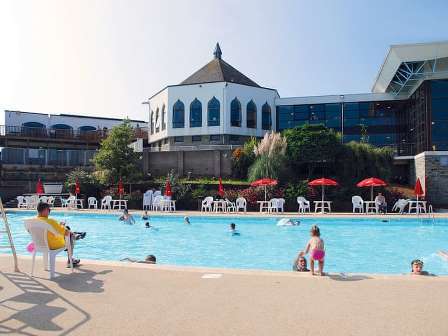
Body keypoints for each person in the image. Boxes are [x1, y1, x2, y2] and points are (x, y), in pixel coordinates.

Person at [35, 202, 81, 267]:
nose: (49, 212)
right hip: (53, 245)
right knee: (69, 235)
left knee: (67, 230)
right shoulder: (50, 221)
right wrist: (62, 226)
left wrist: (58, 227)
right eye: (49, 210)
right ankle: (70, 260)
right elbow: (66, 233)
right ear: (45, 210)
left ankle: (75, 235)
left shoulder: (32, 221)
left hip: (39, 244)